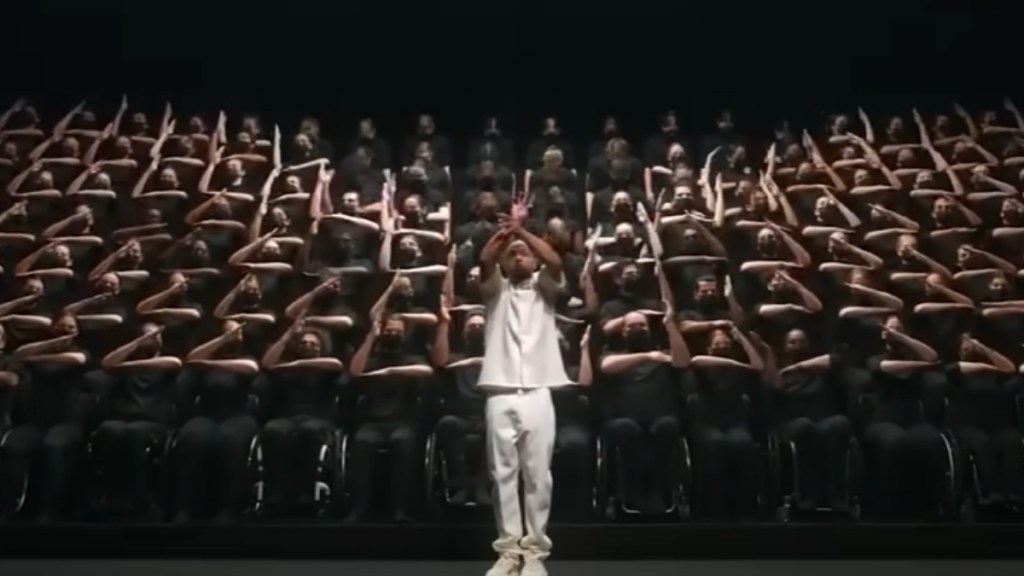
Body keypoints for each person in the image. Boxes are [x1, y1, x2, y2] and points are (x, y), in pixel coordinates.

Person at [477, 195, 569, 576]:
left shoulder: (546, 288)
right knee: (502, 475)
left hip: (539, 389)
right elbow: (484, 260)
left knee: (537, 474)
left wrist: (521, 231)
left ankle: (535, 551)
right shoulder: (494, 291)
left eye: (524, 253)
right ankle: (508, 550)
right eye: (512, 253)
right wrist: (505, 235)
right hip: (499, 388)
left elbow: (556, 261)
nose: (518, 256)